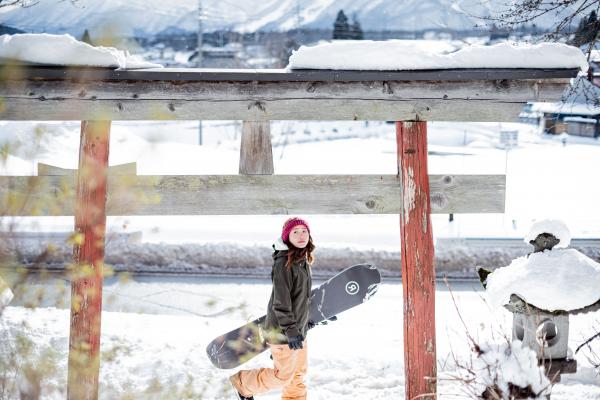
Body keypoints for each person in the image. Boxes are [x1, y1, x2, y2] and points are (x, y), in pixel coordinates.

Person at [230, 217, 314, 400]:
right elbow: (281, 303)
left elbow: (300, 298)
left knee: (298, 374)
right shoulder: (284, 263)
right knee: (282, 376)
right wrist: (292, 330)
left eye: (304, 231)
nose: (301, 235)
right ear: (286, 237)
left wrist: (309, 318)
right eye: (295, 232)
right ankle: (243, 383)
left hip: (298, 330)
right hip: (282, 332)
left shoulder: (302, 260)